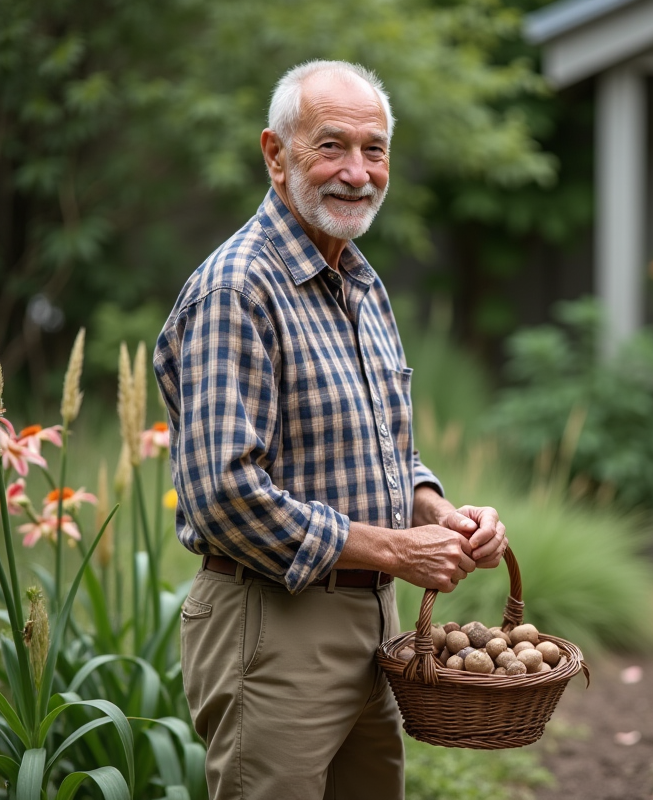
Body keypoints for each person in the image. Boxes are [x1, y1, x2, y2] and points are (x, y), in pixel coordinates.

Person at [153, 60, 508, 800]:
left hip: (372, 625)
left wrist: (442, 516)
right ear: (275, 155)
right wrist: (394, 549)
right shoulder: (238, 290)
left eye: (374, 149)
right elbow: (224, 494)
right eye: (331, 146)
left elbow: (388, 454)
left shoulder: (361, 283)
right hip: (273, 626)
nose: (357, 172)